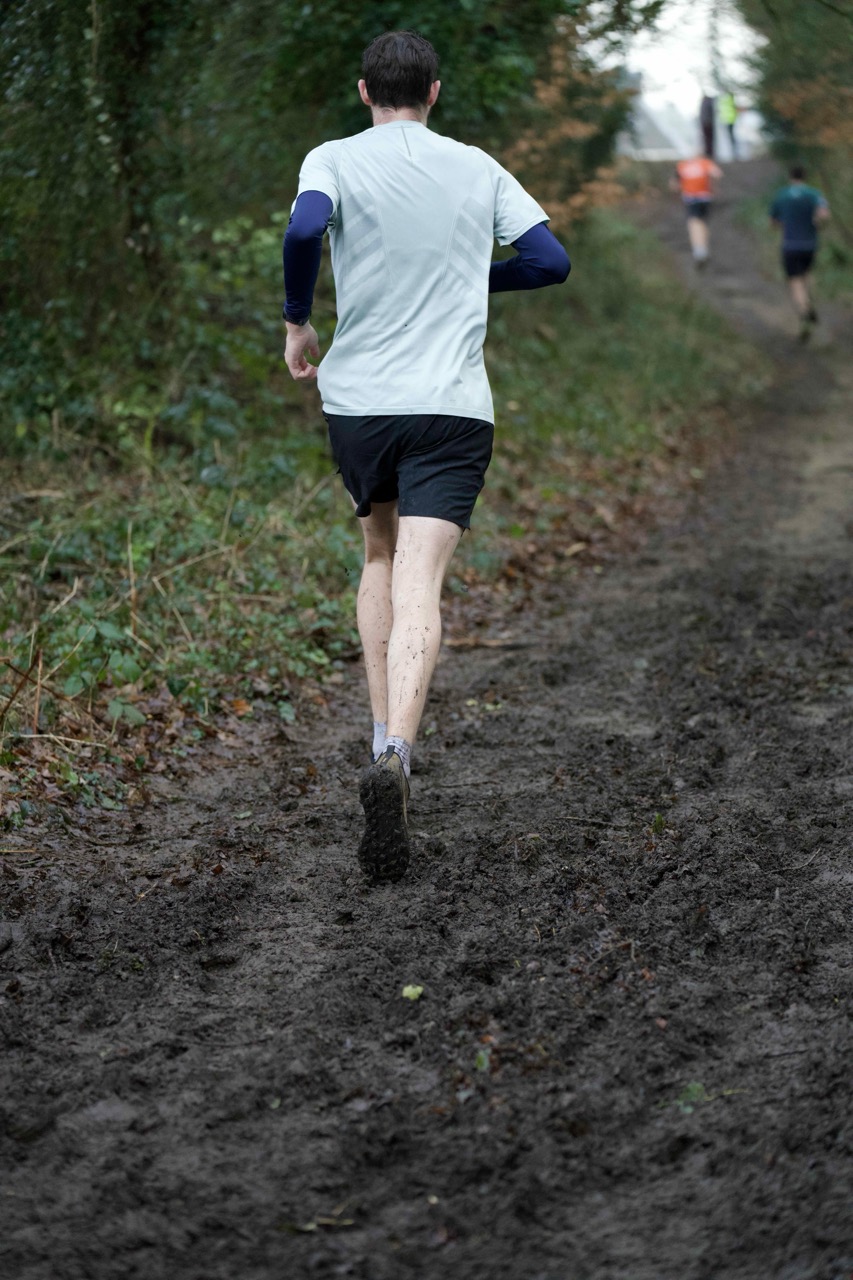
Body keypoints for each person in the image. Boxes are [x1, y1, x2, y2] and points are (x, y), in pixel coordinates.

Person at [282, 30, 569, 883]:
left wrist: (298, 319)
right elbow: (549, 261)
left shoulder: (333, 157)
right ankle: (398, 756)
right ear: (434, 92)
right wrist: (468, 280)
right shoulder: (477, 166)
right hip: (450, 408)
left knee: (378, 553)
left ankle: (379, 739)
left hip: (362, 405)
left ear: (364, 90)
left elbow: (305, 227)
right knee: (422, 579)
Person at [769, 165, 830, 341]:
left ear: (790, 177)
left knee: (795, 280)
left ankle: (805, 312)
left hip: (790, 245)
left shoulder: (781, 195)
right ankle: (809, 301)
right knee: (807, 274)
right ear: (805, 176)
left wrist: (784, 224)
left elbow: (773, 222)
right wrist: (817, 223)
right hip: (810, 244)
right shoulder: (814, 194)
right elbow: (824, 215)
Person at [673, 153, 723, 268]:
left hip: (691, 198)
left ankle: (699, 251)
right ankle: (704, 248)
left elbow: (674, 184)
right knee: (703, 223)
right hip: (706, 197)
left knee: (694, 223)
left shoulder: (682, 165)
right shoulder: (705, 163)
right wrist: (714, 187)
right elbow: (717, 174)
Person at [718, 90, 738, 159]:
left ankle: (732, 152)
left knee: (729, 138)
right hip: (729, 121)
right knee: (730, 137)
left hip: (727, 121)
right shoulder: (730, 99)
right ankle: (732, 152)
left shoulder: (723, 100)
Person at [699, 93, 716, 159]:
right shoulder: (710, 102)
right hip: (708, 123)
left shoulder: (706, 103)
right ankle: (709, 153)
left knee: (708, 140)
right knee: (708, 140)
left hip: (707, 123)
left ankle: (709, 153)